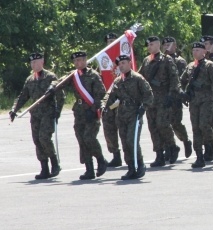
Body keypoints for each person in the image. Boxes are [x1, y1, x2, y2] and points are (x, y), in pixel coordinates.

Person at [9, 52, 64, 180]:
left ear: (42, 62)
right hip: (35, 114)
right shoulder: (30, 79)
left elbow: (60, 95)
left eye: (36, 62)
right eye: (32, 62)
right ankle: (44, 168)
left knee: (44, 137)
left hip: (48, 113)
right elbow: (23, 96)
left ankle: (55, 163)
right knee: (37, 140)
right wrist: (14, 109)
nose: (34, 64)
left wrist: (58, 110)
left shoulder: (50, 77)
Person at [101, 55, 154, 180]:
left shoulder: (137, 78)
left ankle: (140, 165)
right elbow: (110, 96)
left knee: (132, 141)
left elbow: (149, 95)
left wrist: (143, 107)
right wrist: (104, 106)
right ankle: (131, 168)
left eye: (124, 63)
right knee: (125, 143)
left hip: (134, 114)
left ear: (130, 63)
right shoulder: (118, 81)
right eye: (119, 64)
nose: (121, 66)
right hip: (122, 115)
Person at [59, 51, 108, 180]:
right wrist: (52, 87)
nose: (78, 63)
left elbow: (101, 95)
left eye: (80, 60)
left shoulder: (93, 75)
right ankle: (89, 169)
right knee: (82, 140)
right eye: (75, 61)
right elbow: (59, 83)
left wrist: (93, 109)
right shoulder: (73, 76)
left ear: (86, 60)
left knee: (89, 138)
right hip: (79, 112)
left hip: (91, 112)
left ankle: (101, 160)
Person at [139, 36, 181, 167]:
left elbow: (174, 79)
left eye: (151, 44)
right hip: (150, 100)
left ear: (157, 45)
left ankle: (172, 146)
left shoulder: (167, 60)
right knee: (153, 127)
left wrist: (171, 95)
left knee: (162, 124)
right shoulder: (146, 61)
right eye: (148, 45)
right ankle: (159, 154)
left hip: (163, 99)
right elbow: (140, 78)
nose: (149, 47)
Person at [180, 42, 213, 168]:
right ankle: (199, 157)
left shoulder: (210, 65)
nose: (195, 52)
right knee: (196, 128)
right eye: (193, 50)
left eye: (198, 50)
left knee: (204, 126)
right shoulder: (190, 66)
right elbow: (181, 81)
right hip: (194, 102)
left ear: (204, 52)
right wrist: (183, 93)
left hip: (206, 101)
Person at [162, 36, 193, 160]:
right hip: (162, 98)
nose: (167, 47)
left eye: (170, 45)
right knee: (163, 124)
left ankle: (185, 140)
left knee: (175, 123)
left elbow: (181, 80)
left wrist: (182, 94)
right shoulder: (160, 60)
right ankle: (170, 148)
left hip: (174, 98)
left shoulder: (180, 61)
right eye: (165, 45)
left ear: (175, 46)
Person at [102, 32, 122, 167]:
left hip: (122, 100)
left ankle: (131, 155)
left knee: (125, 129)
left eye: (114, 41)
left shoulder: (123, 59)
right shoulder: (103, 59)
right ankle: (116, 155)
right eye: (109, 41)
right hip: (109, 100)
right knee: (109, 129)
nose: (111, 43)